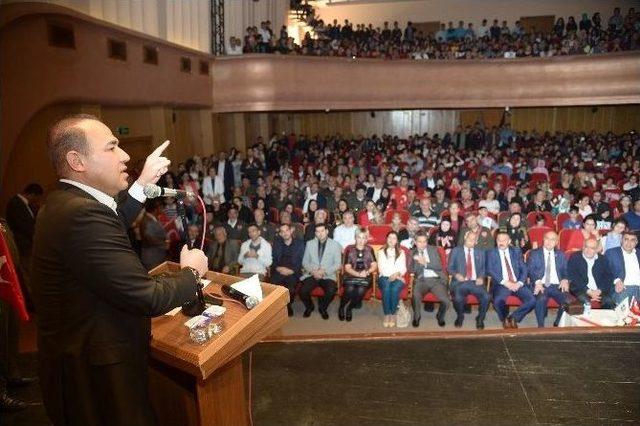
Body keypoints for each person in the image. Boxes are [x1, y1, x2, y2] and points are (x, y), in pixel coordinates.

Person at [32, 114, 208, 425]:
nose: (125, 155)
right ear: (77, 160)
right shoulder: (82, 215)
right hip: (95, 379)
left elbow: (109, 226)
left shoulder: (67, 202)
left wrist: (140, 186)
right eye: (112, 147)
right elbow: (146, 297)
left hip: (85, 365)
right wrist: (191, 273)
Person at [486, 231, 535, 328]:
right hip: (502, 284)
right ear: (496, 241)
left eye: (504, 240)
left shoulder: (516, 251)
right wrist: (505, 282)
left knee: (532, 300)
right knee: (497, 301)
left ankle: (513, 318)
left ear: (509, 241)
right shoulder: (491, 253)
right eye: (499, 240)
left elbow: (523, 268)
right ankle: (504, 317)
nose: (501, 242)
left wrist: (520, 282)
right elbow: (490, 270)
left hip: (517, 283)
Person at [527, 231, 570, 327]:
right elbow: (530, 269)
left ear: (556, 242)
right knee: (541, 298)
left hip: (556, 285)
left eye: (552, 239)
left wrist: (565, 279)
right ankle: (541, 326)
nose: (549, 241)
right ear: (543, 239)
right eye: (547, 238)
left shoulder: (561, 254)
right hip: (541, 284)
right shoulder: (534, 253)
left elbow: (565, 270)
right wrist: (537, 281)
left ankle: (557, 323)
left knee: (567, 300)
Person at [448, 231, 489, 329]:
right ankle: (460, 316)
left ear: (476, 241)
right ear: (465, 237)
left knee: (486, 297)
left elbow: (484, 268)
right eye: (469, 238)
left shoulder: (481, 252)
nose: (471, 241)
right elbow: (450, 268)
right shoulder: (456, 251)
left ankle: (480, 318)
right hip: (460, 282)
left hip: (475, 282)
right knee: (457, 297)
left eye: (474, 239)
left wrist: (481, 277)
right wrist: (456, 275)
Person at [299, 223, 342, 319]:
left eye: (322, 231)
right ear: (315, 233)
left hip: (327, 275)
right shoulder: (310, 244)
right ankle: (310, 307)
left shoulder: (335, 245)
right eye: (317, 231)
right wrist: (313, 272)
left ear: (327, 231)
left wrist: (324, 272)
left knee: (331, 291)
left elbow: (337, 264)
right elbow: (305, 262)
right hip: (312, 274)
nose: (320, 233)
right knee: (303, 291)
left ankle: (323, 308)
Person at [409, 231, 450, 328]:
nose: (422, 244)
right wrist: (416, 261)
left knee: (446, 301)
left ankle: (440, 316)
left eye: (424, 241)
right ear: (415, 242)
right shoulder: (412, 253)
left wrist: (425, 264)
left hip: (436, 280)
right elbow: (411, 270)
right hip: (421, 280)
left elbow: (439, 266)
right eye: (419, 242)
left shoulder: (433, 250)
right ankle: (416, 316)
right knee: (415, 295)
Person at [339, 228, 377, 322]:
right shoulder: (350, 249)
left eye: (364, 238)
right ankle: (341, 307)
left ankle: (349, 308)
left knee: (360, 290)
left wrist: (367, 272)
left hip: (365, 275)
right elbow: (347, 268)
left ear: (367, 239)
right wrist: (358, 274)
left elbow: (374, 265)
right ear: (355, 238)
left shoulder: (369, 249)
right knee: (349, 289)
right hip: (351, 274)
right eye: (359, 237)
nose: (361, 240)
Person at [568, 239, 615, 309]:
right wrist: (588, 291)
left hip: (598, 290)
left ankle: (603, 320)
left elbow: (608, 277)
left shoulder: (602, 259)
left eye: (592, 248)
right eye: (586, 247)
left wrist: (599, 290)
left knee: (608, 301)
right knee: (585, 302)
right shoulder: (575, 257)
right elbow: (574, 277)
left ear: (596, 250)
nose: (588, 250)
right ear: (583, 247)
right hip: (581, 289)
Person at [270, 223, 305, 316]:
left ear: (291, 231)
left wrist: (292, 270)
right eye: (282, 231)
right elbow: (273, 259)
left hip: (293, 271)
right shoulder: (277, 243)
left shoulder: (300, 243)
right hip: (279, 270)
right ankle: (278, 306)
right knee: (272, 287)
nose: (285, 233)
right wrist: (278, 268)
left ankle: (288, 305)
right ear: (280, 234)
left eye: (287, 230)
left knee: (291, 289)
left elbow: (301, 260)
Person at [376, 231, 407, 328]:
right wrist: (396, 276)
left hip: (397, 276)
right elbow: (382, 269)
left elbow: (403, 268)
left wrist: (397, 274)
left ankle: (393, 314)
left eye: (394, 238)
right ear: (386, 239)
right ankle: (386, 314)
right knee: (386, 288)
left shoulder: (402, 252)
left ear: (397, 240)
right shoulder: (380, 252)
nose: (391, 240)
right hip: (384, 277)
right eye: (389, 237)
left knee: (394, 289)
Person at [605, 231, 640, 305]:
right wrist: (616, 280)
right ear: (621, 240)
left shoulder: (639, 253)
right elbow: (605, 272)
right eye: (626, 239)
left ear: (636, 242)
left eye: (632, 240)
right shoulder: (611, 253)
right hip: (623, 288)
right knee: (624, 314)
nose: (629, 243)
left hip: (639, 288)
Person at [139, 199, 168, 271]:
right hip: (152, 258)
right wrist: (165, 244)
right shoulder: (148, 221)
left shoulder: (153, 218)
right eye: (161, 207)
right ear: (155, 209)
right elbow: (149, 239)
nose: (163, 208)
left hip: (157, 256)